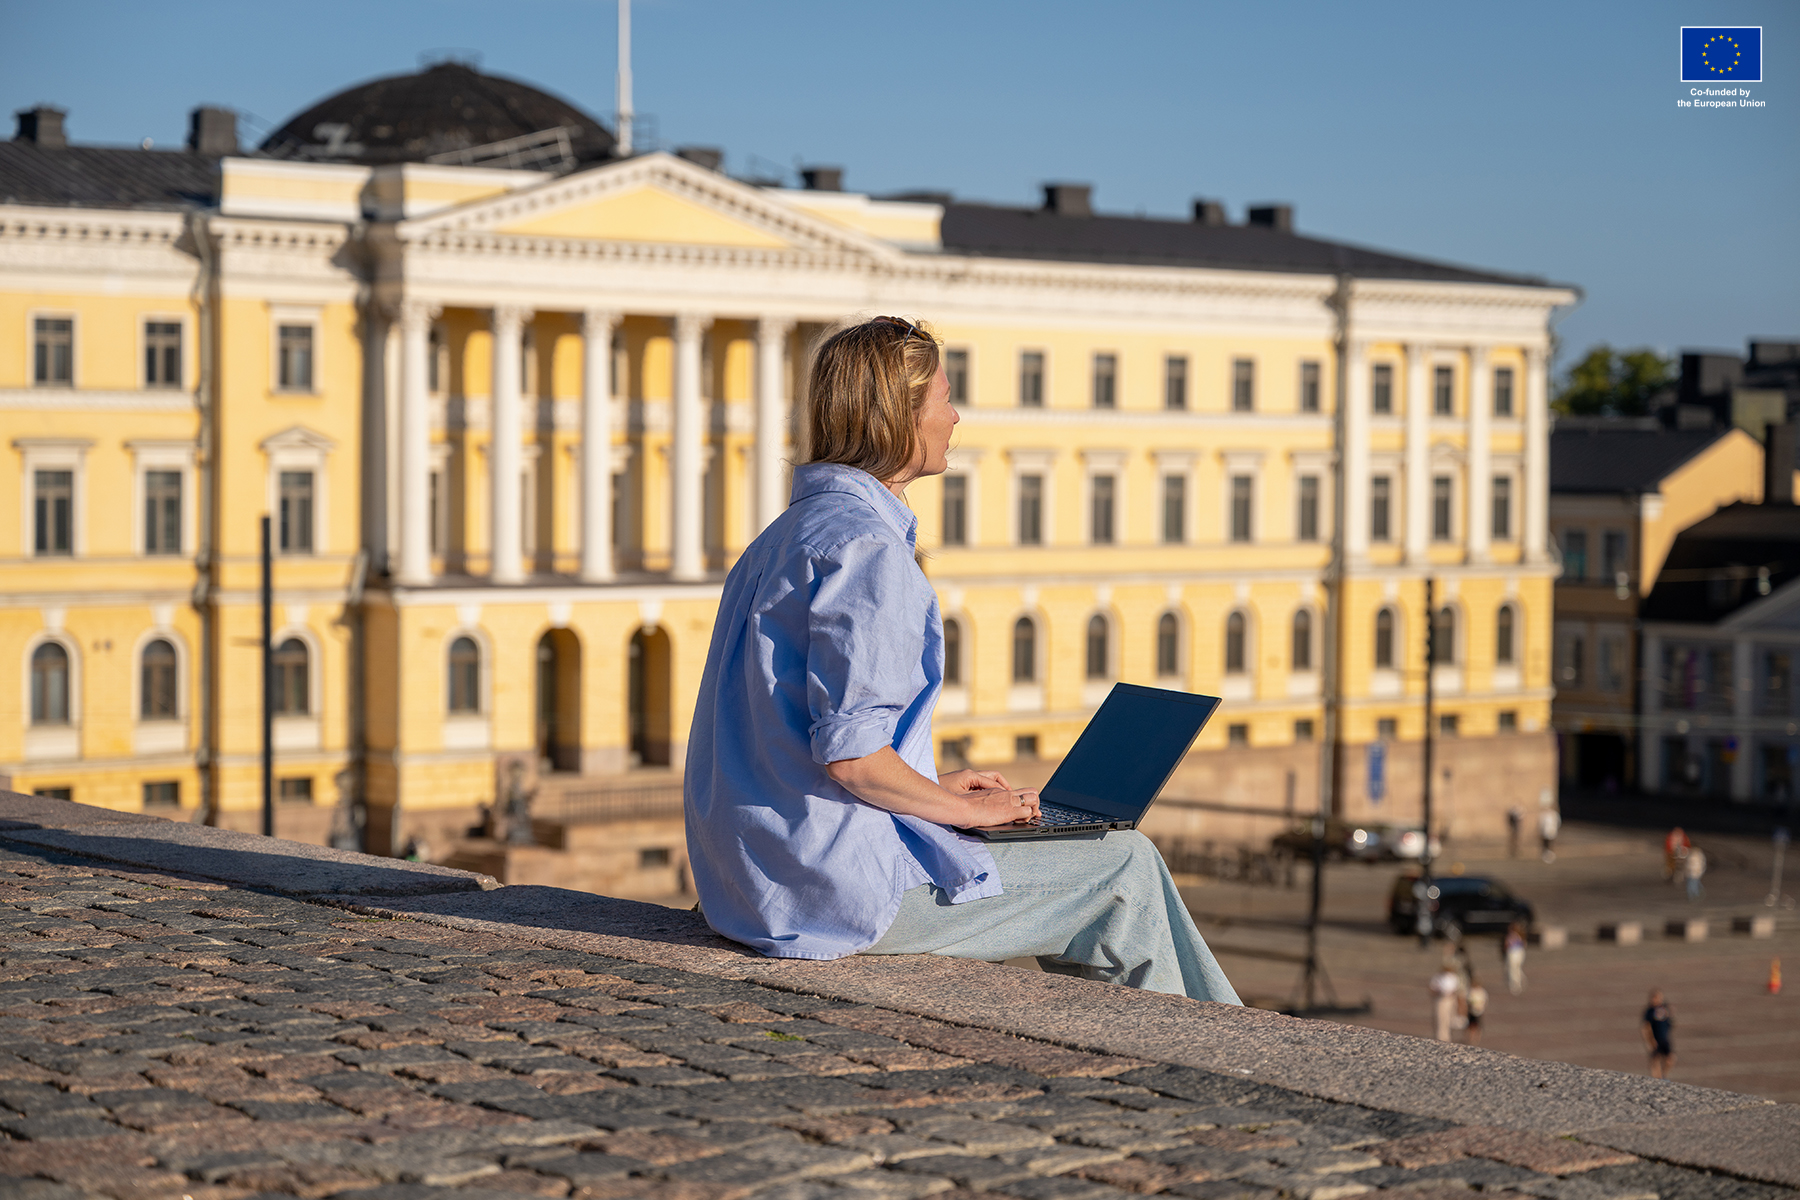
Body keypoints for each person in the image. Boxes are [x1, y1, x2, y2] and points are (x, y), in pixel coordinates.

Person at [683, 316, 1239, 1002]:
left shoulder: (784, 538)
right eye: (944, 398)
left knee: (1083, 861)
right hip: (828, 898)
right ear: (900, 419)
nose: (955, 416)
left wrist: (936, 789)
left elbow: (793, 742)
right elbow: (852, 759)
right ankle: (1242, 1059)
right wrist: (967, 815)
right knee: (1122, 865)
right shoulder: (869, 553)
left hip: (751, 881)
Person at [1642, 989, 1674, 1077]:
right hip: (1655, 1039)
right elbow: (1645, 1027)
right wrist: (1649, 1040)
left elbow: (1670, 1023)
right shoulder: (1650, 1011)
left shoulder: (1664, 1009)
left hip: (1665, 1038)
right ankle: (1656, 1078)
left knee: (1670, 1059)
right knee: (1655, 1060)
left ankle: (1663, 1075)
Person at [1430, 961, 1460, 1041]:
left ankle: (1447, 1035)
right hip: (1440, 999)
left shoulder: (1453, 977)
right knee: (1440, 1017)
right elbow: (1432, 988)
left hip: (1450, 998)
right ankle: (1440, 1036)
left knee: (1449, 1018)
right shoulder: (1438, 977)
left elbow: (1457, 989)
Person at [1503, 922, 1527, 996]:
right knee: (1517, 968)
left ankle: (1515, 985)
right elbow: (1524, 945)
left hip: (1512, 953)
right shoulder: (1521, 935)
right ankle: (1521, 980)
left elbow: (1506, 945)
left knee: (1512, 970)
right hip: (1520, 953)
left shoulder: (1510, 936)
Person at [1464, 974, 1488, 1046]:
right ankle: (1470, 1038)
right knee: (1470, 1025)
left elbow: (1484, 1001)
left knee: (1477, 1025)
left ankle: (1476, 1038)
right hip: (1471, 1011)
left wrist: (1480, 1006)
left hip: (1478, 1011)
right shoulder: (1471, 991)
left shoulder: (1481, 991)